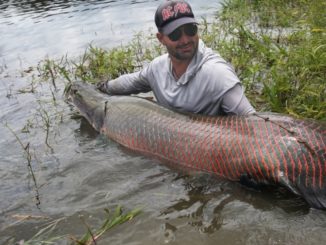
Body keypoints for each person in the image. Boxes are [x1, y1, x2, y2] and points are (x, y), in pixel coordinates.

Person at [97, 0, 255, 116]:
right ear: (161, 39)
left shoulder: (217, 74)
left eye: (191, 30)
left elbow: (252, 122)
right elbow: (129, 83)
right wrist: (103, 88)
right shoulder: (157, 68)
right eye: (175, 34)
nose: (185, 40)